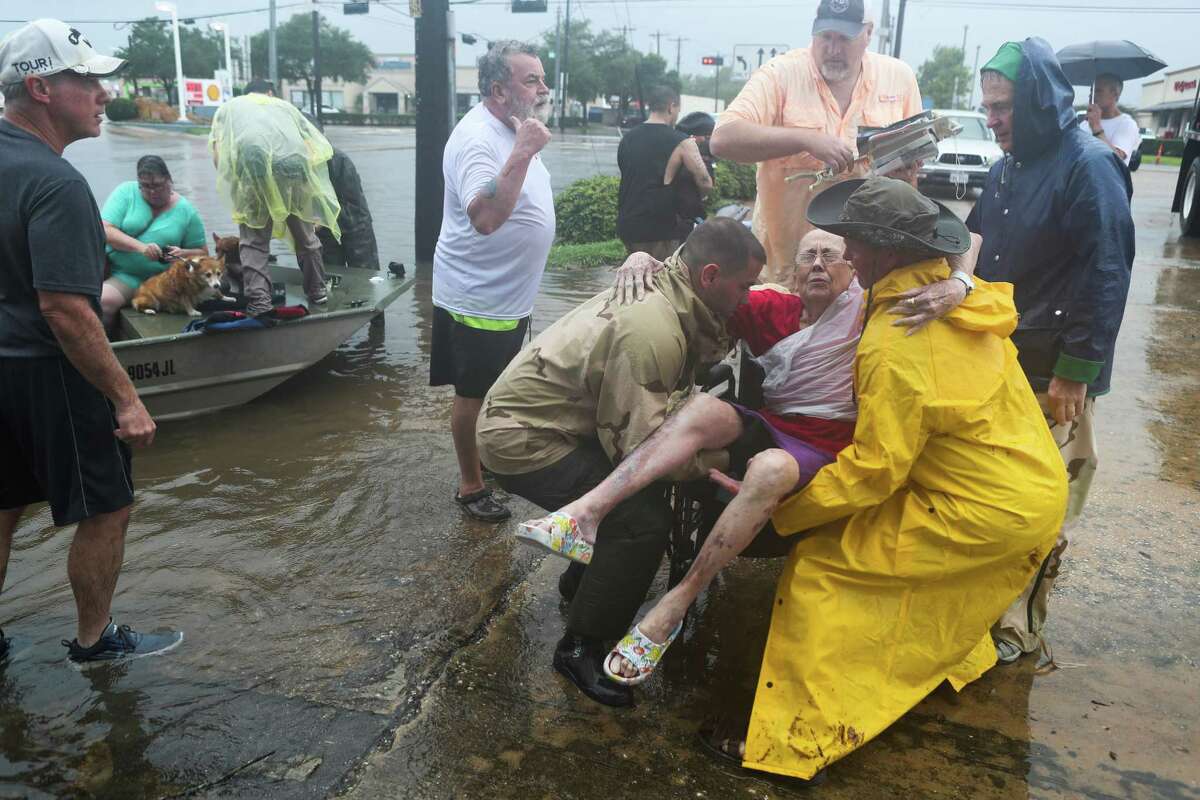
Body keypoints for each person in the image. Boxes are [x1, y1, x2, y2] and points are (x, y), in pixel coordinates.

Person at [704, 176, 1067, 782]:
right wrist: (959, 278)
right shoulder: (962, 298)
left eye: (853, 245)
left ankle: (792, 745)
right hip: (1030, 486)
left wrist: (782, 510)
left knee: (825, 569)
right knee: (925, 580)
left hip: (981, 506)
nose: (845, 256)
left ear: (886, 253)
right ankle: (950, 663)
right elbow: (986, 284)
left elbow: (875, 472)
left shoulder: (896, 341)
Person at [515, 228, 863, 682]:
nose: (818, 264)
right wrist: (644, 254)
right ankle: (584, 513)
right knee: (701, 409)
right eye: (808, 256)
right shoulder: (771, 309)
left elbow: (967, 246)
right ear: (792, 274)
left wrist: (956, 283)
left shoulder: (870, 314)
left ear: (854, 268)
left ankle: (672, 606)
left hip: (824, 445)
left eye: (831, 256)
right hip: (776, 425)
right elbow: (703, 279)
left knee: (771, 469)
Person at [476, 218, 765, 707]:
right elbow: (642, 453)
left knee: (630, 506)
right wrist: (719, 460)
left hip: (561, 421)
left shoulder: (674, 284)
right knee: (640, 521)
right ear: (710, 276)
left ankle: (582, 581)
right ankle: (582, 647)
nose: (749, 298)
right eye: (744, 287)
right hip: (522, 437)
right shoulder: (652, 327)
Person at [0, 19, 182, 662]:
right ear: (42, 87)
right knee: (107, 504)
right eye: (89, 79)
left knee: (3, 503)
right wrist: (127, 399)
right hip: (49, 371)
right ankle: (94, 639)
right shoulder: (58, 183)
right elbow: (66, 310)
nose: (104, 93)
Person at [969, 40, 1134, 663]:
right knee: (1002, 500)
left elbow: (1108, 272)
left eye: (1003, 107)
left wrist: (1076, 373)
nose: (993, 120)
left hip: (1060, 374)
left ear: (1039, 101)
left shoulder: (1088, 165)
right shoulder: (1006, 165)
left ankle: (1017, 630)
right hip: (1009, 360)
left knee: (1045, 508)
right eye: (987, 108)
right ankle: (983, 612)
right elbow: (978, 243)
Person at [710, 0, 922, 285]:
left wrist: (905, 175)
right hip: (789, 271)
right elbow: (723, 139)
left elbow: (912, 179)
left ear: (868, 34)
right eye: (825, 36)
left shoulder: (899, 79)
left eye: (844, 38)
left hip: (868, 277)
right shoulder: (781, 74)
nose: (833, 49)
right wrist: (805, 138)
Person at [431, 40, 554, 523]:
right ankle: (470, 485)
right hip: (477, 297)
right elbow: (484, 217)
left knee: (499, 390)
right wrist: (523, 151)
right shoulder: (478, 139)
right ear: (499, 89)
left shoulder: (516, 128)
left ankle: (486, 463)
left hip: (509, 296)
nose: (544, 88)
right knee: (474, 393)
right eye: (532, 80)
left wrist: (524, 145)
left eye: (543, 78)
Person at [209, 77, 339, 315]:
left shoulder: (230, 108)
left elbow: (220, 153)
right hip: (293, 169)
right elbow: (311, 147)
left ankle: (260, 302)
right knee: (306, 238)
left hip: (254, 168)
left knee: (254, 241)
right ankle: (318, 292)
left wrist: (238, 185)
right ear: (269, 92)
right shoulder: (285, 107)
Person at [100, 154, 209, 329]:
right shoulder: (125, 193)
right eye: (145, 186)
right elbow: (105, 230)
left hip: (162, 281)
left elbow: (203, 253)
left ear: (169, 181)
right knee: (101, 303)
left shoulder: (187, 211)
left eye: (157, 185)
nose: (152, 192)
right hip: (124, 275)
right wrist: (141, 248)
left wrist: (183, 253)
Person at [616, 85, 713, 259]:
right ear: (671, 106)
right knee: (661, 279)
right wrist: (702, 196)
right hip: (660, 226)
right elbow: (705, 181)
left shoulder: (627, 139)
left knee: (637, 275)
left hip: (628, 224)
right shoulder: (682, 141)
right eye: (677, 110)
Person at [1081, 72, 1141, 167]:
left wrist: (1097, 129)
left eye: (1098, 91)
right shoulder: (1085, 124)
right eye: (1091, 91)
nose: (1092, 96)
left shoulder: (1126, 124)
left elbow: (1117, 159)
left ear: (1115, 94)